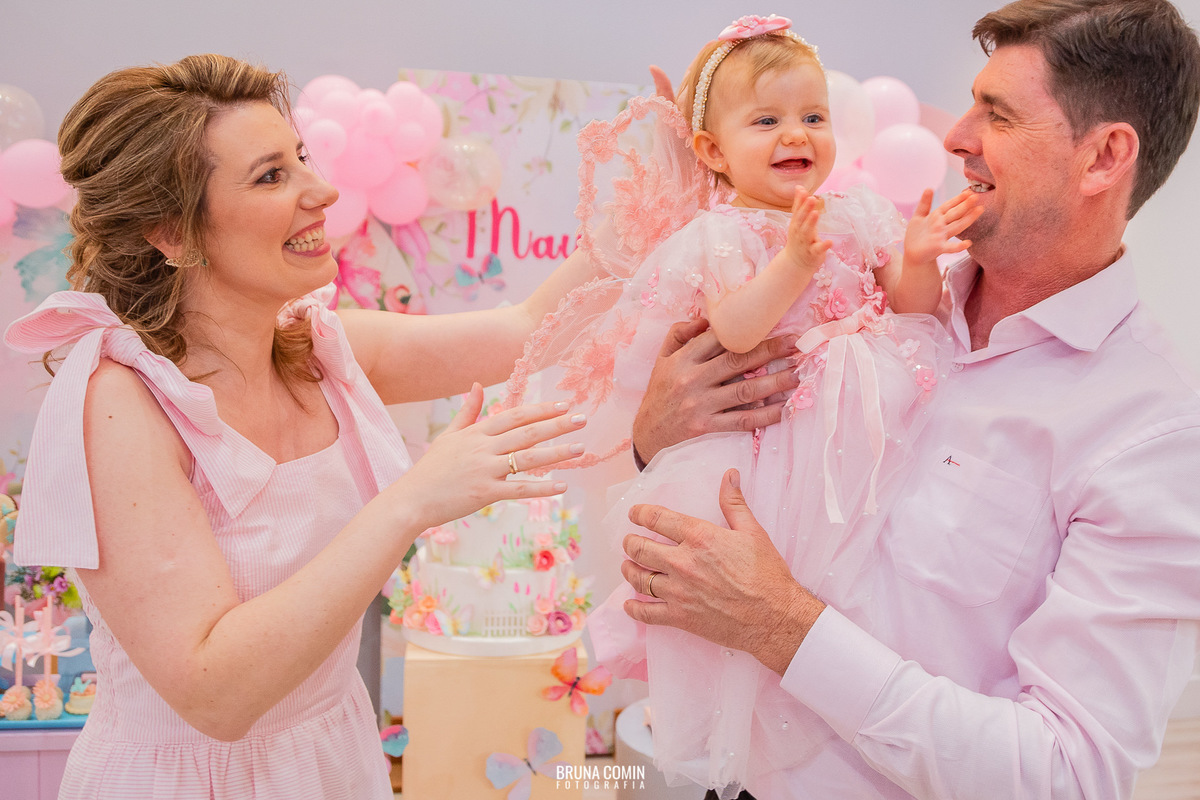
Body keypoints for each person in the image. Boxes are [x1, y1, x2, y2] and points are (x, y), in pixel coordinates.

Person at [616, 1, 1200, 798]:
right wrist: (654, 439)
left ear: (1103, 157)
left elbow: (1068, 774)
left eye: (997, 115)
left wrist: (783, 626)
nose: (955, 136)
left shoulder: (1150, 435)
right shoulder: (861, 295)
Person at [2, 54, 604, 800]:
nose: (323, 192)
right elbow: (214, 695)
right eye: (270, 176)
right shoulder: (122, 404)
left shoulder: (319, 351)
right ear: (173, 234)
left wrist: (660, 201)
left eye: (301, 159)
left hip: (331, 760)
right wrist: (413, 500)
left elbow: (529, 329)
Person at [506, 14, 979, 795]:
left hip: (864, 419)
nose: (796, 133)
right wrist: (793, 262)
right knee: (765, 578)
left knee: (864, 576)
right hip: (775, 436)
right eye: (766, 121)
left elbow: (908, 305)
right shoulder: (720, 233)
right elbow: (735, 327)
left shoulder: (858, 212)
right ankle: (763, 736)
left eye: (814, 116)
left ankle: (852, 717)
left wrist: (920, 258)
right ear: (714, 151)